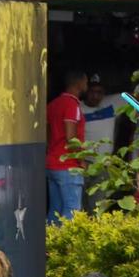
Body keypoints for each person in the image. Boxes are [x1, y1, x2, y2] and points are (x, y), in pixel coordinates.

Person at [81, 74, 129, 210]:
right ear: (85, 91)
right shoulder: (77, 108)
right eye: (92, 92)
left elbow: (137, 95)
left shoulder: (112, 103)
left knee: (98, 205)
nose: (95, 96)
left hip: (103, 164)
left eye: (99, 92)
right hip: (82, 163)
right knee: (80, 206)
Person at [46, 70, 87, 223]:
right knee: (72, 209)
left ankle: (50, 245)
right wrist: (81, 160)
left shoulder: (52, 104)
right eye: (86, 82)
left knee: (55, 210)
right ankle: (68, 247)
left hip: (52, 163)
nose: (86, 86)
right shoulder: (72, 104)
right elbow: (71, 138)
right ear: (80, 82)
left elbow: (48, 135)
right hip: (68, 165)